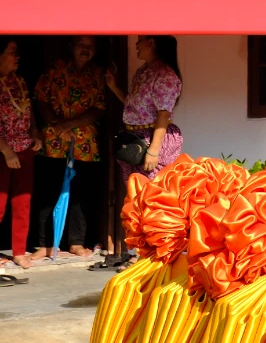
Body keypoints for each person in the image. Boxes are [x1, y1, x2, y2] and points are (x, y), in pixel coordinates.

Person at [30, 36, 107, 260]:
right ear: (72, 47)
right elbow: (41, 100)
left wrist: (70, 124)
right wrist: (57, 124)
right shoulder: (56, 68)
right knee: (48, 192)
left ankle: (76, 242)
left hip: (84, 143)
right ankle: (45, 245)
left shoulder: (98, 74)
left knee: (79, 194)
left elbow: (99, 107)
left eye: (90, 47)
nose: (86, 50)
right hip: (54, 140)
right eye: (82, 45)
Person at [105, 35, 183, 182]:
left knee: (150, 192)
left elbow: (164, 115)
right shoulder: (144, 71)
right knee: (134, 189)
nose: (136, 44)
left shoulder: (164, 75)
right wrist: (113, 86)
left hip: (151, 138)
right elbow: (134, 105)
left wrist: (153, 151)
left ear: (151, 42)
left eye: (139, 40)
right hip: (134, 139)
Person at [0, 37, 42, 269]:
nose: (17, 57)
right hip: (2, 152)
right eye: (12, 52)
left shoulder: (20, 81)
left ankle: (18, 251)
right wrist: (6, 151)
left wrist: (35, 133)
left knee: (22, 203)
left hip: (24, 149)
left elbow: (29, 110)